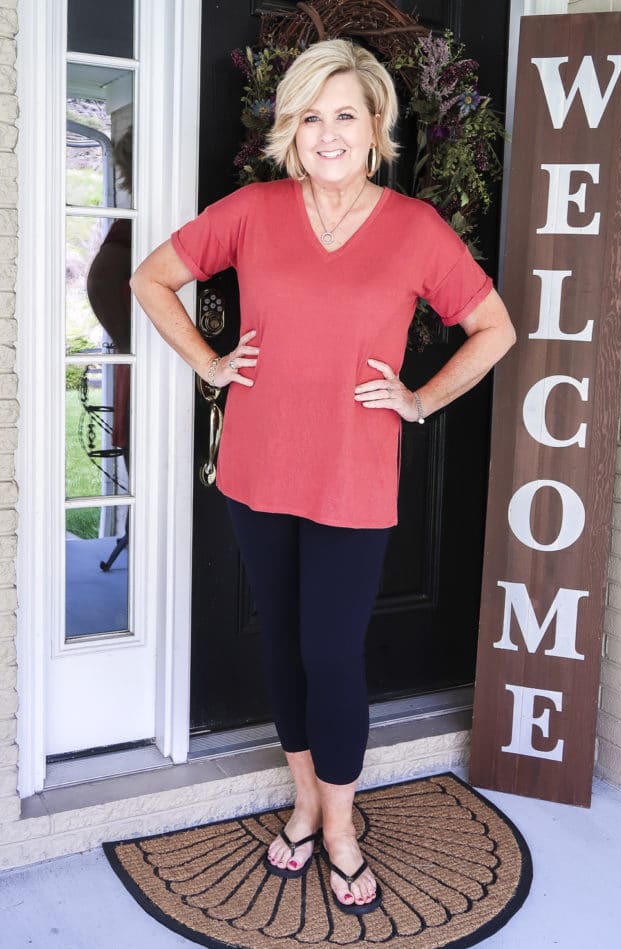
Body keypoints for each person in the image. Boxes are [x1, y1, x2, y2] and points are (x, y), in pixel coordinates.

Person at [130, 39, 515, 916]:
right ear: (290, 130)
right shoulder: (255, 210)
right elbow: (154, 278)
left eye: (346, 114)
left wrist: (418, 400)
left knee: (331, 653)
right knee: (280, 646)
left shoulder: (415, 227)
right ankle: (306, 798)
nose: (329, 132)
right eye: (312, 115)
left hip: (353, 477)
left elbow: (494, 330)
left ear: (375, 129)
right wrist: (211, 362)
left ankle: (339, 825)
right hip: (257, 466)